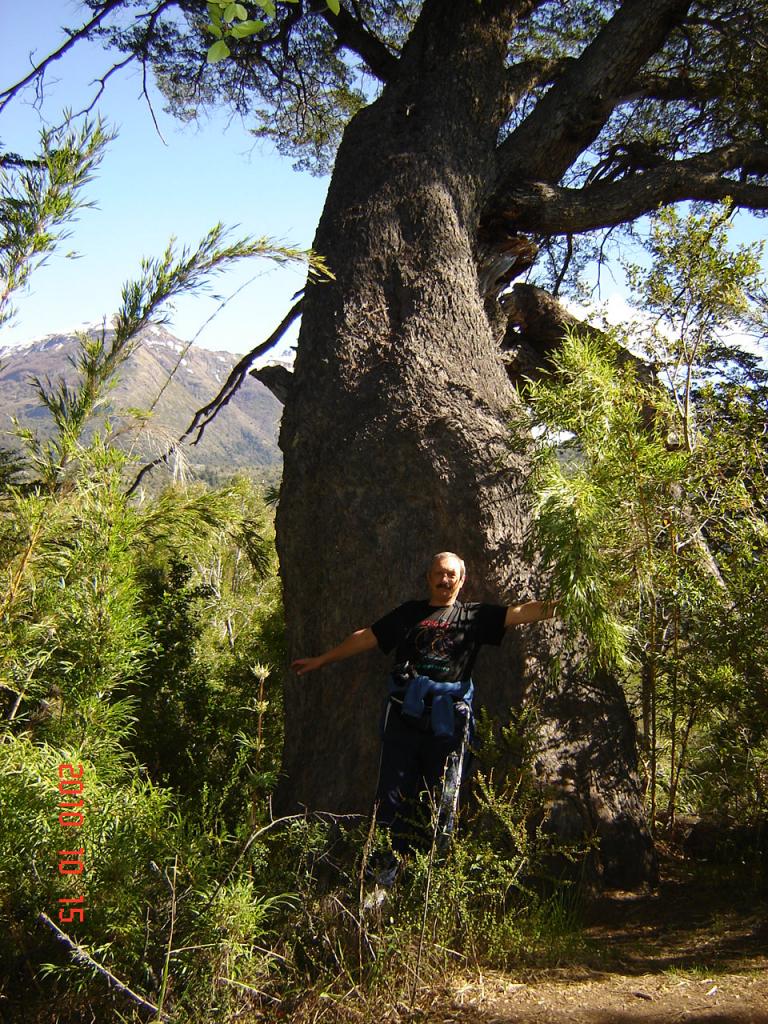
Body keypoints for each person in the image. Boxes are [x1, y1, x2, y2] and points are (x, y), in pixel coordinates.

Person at [292, 552, 557, 875]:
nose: (445, 580)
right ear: (428, 577)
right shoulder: (409, 613)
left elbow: (519, 613)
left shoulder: (472, 616)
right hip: (405, 713)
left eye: (451, 575)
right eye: (439, 574)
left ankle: (433, 877)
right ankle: (383, 874)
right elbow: (367, 637)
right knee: (391, 794)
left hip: (450, 718)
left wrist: (568, 602)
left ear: (462, 580)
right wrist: (323, 659)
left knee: (444, 794)